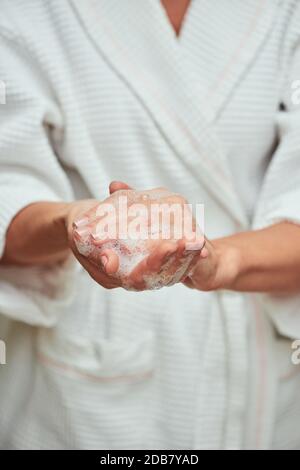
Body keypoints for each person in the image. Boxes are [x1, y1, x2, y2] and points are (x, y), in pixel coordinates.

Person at [0, 0, 300, 450]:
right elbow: (9, 190)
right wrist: (74, 220)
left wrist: (218, 260)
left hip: (260, 364)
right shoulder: (24, 12)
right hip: (82, 376)